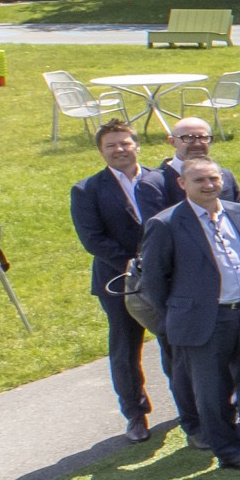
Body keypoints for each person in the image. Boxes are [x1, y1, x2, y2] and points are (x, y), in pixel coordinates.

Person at [134, 159, 240, 470]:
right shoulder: (166, 223)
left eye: (213, 178)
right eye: (199, 180)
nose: (208, 185)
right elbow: (154, 280)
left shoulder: (239, 212)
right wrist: (177, 316)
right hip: (204, 320)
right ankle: (228, 451)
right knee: (213, 391)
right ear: (182, 184)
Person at [74, 119, 175, 445]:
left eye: (125, 143)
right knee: (124, 348)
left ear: (137, 145)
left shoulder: (161, 179)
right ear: (101, 152)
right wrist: (134, 264)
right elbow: (92, 239)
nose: (119, 150)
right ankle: (135, 412)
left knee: (175, 340)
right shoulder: (87, 190)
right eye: (111, 145)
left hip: (166, 277)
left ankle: (191, 404)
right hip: (119, 280)